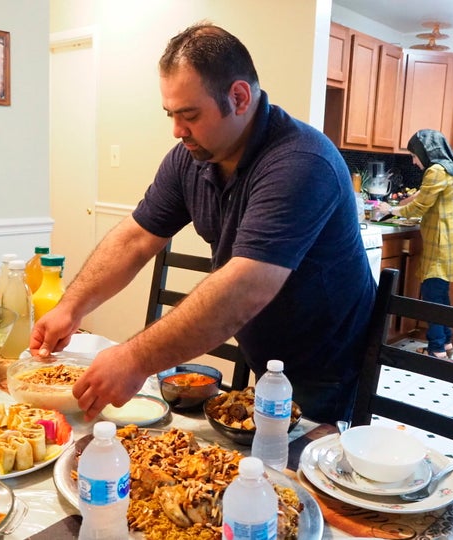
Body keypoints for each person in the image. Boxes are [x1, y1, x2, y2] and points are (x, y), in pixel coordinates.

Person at [30, 22, 376, 424]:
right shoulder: (193, 157)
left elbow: (247, 285)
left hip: (328, 365)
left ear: (240, 97)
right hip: (264, 356)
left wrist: (135, 358)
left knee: (296, 479)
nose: (177, 131)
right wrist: (70, 307)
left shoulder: (301, 162)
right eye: (171, 115)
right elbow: (136, 239)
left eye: (189, 115)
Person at [378, 129, 453, 359]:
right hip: (451, 240)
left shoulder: (436, 171)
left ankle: (436, 349)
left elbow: (420, 206)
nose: (414, 160)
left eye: (414, 155)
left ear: (424, 151)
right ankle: (446, 343)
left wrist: (391, 210)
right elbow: (423, 198)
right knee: (440, 294)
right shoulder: (448, 167)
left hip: (443, 241)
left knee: (431, 294)